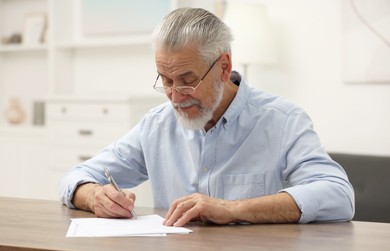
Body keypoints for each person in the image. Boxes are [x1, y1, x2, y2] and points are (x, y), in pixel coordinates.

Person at [59, 7, 355, 226]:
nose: (174, 96)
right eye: (165, 80)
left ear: (224, 67)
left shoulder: (283, 120)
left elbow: (338, 195)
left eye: (187, 80)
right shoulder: (156, 125)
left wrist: (233, 209)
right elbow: (76, 177)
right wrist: (94, 195)